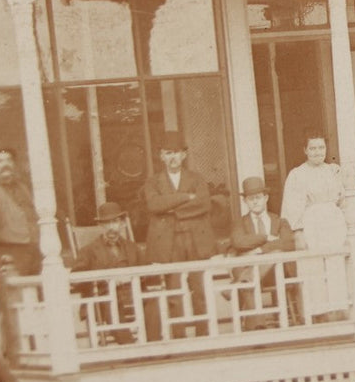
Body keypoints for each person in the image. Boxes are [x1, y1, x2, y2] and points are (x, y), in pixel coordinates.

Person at [142, 132, 215, 335]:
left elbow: (203, 204)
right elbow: (155, 205)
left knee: (199, 290)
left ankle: (204, 335)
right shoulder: (153, 182)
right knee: (174, 292)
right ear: (161, 156)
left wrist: (172, 208)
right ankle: (179, 335)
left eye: (176, 153)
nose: (173, 158)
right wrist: (185, 197)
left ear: (184, 155)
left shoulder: (196, 179)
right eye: (168, 153)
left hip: (195, 239)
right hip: (168, 241)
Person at [0, 147, 41, 363]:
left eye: (8, 159)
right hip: (9, 255)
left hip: (33, 251)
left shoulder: (22, 188)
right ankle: (16, 360)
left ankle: (38, 351)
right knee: (13, 307)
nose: (5, 164)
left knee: (38, 304)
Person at [280, 132, 350, 320]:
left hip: (334, 222)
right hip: (312, 223)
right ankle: (318, 312)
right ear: (305, 150)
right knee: (313, 265)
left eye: (321, 148)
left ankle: (339, 308)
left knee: (336, 263)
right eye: (313, 148)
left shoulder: (333, 171)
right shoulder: (297, 174)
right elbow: (292, 207)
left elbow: (343, 200)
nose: (317, 152)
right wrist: (299, 231)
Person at [72, 201, 147, 345]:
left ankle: (153, 349)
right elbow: (76, 279)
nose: (111, 227)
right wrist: (105, 279)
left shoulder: (132, 248)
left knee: (153, 301)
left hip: (132, 293)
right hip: (104, 296)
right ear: (100, 226)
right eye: (107, 223)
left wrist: (132, 277)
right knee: (110, 302)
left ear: (122, 224)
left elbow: (146, 272)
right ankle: (129, 348)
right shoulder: (88, 251)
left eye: (115, 222)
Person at [229, 176, 297, 329]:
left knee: (277, 253)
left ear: (265, 198)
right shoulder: (239, 223)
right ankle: (258, 325)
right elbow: (239, 242)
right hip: (248, 268)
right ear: (245, 201)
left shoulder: (279, 221)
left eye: (258, 197)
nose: (255, 202)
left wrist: (260, 250)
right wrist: (265, 237)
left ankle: (242, 281)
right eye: (250, 198)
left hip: (273, 273)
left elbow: (289, 243)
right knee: (250, 271)